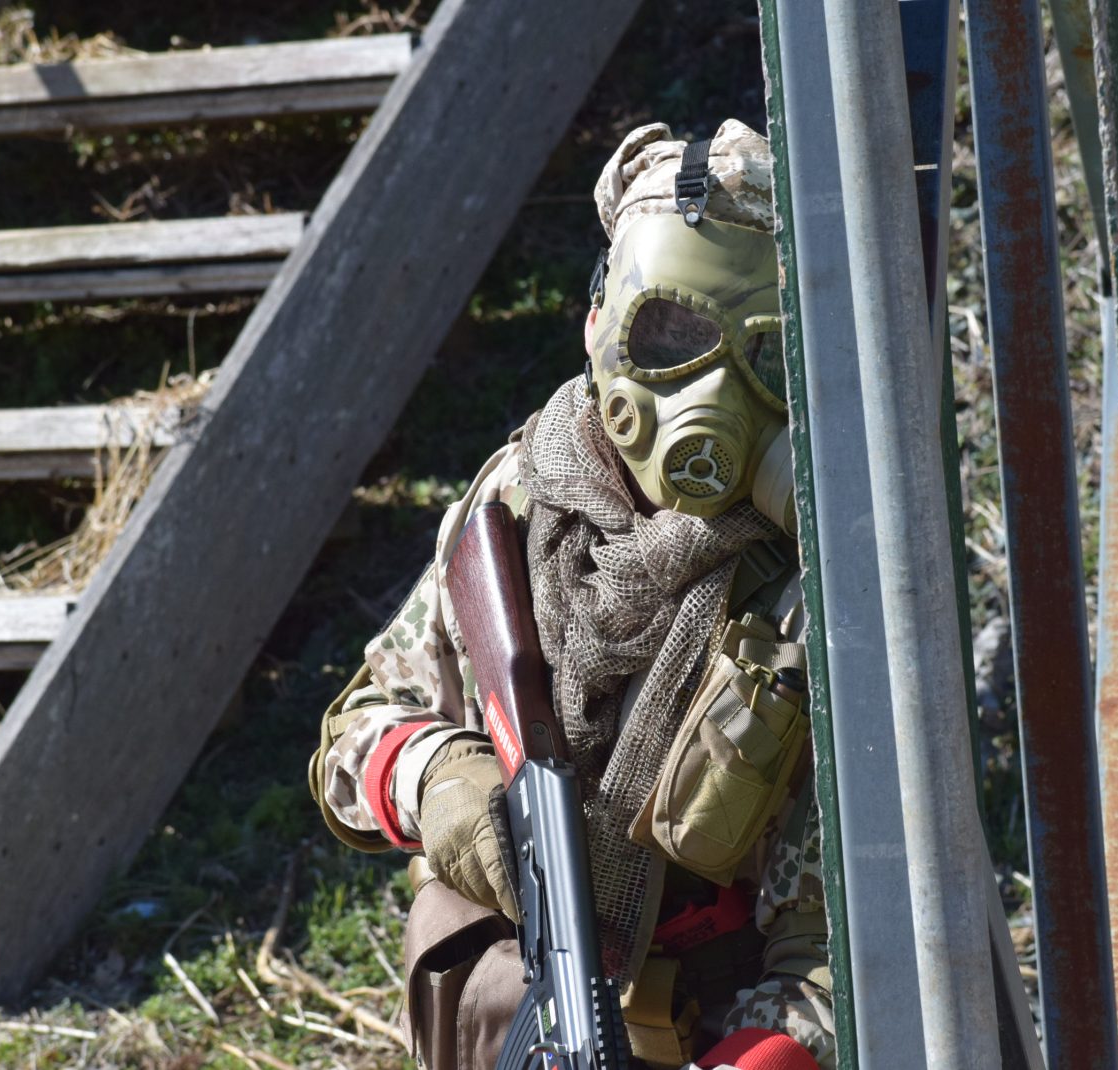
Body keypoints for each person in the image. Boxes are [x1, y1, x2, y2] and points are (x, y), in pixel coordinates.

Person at [311, 119, 832, 1070]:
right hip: (516, 1019)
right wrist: (438, 778)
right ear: (599, 324)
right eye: (670, 335)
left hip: (731, 1022)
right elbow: (356, 739)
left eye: (758, 354)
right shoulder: (522, 499)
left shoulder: (823, 576)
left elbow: (836, 956)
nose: (709, 393)